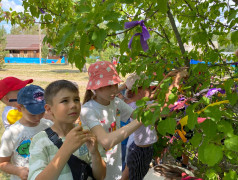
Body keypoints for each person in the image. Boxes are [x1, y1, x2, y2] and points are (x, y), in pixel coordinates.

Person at [28, 80, 106, 180]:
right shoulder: (39, 141)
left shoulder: (86, 133)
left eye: (76, 99)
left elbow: (101, 176)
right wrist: (66, 149)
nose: (73, 105)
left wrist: (95, 153)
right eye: (65, 101)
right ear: (49, 109)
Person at [80, 61, 143, 180]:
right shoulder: (88, 110)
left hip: (115, 166)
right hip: (96, 170)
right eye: (109, 86)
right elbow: (106, 141)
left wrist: (155, 108)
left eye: (115, 84)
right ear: (95, 88)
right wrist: (141, 120)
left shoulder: (116, 103)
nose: (114, 90)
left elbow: (135, 114)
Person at [0, 84, 53, 180]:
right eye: (33, 114)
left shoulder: (49, 126)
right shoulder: (11, 133)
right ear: (19, 108)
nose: (38, 117)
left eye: (41, 112)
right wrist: (18, 171)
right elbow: (2, 163)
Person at [121, 73, 158, 180]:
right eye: (148, 87)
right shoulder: (138, 107)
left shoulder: (141, 102)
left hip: (138, 147)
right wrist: (176, 80)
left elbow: (157, 93)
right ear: (140, 91)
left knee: (129, 174)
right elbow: (163, 104)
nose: (151, 90)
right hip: (139, 151)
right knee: (136, 176)